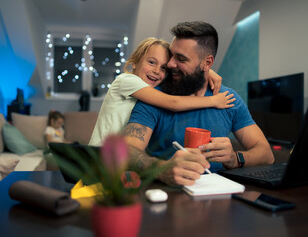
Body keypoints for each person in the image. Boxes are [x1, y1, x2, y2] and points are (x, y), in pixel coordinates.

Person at [123, 21, 274, 186]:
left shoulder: (228, 100)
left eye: (181, 59)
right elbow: (127, 151)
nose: (171, 64)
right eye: (171, 55)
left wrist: (234, 159)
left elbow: (266, 154)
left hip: (219, 196)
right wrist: (161, 168)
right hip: (167, 195)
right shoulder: (154, 97)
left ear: (207, 63)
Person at [89, 37, 235, 146]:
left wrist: (208, 71)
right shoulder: (126, 80)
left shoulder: (153, 87)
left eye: (164, 67)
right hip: (100, 155)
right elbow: (173, 103)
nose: (156, 71)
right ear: (135, 61)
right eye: (151, 62)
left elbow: (186, 69)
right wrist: (213, 101)